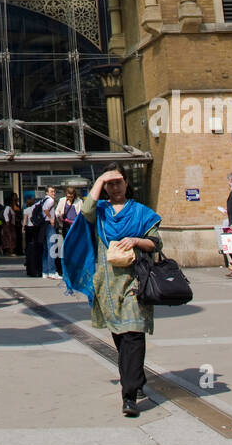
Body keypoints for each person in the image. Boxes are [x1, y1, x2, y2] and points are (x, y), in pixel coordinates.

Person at [62, 164, 162, 417]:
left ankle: (129, 396)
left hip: (135, 282)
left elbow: (155, 242)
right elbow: (85, 210)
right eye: (110, 183)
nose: (115, 187)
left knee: (133, 335)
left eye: (119, 181)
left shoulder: (141, 213)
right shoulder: (102, 212)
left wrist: (137, 240)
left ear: (127, 184)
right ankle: (135, 380)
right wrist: (101, 179)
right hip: (107, 284)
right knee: (121, 337)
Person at [55, 186, 83, 291]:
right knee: (67, 246)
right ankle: (68, 268)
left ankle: (76, 268)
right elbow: (57, 211)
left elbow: (82, 213)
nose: (69, 197)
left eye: (71, 195)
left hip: (75, 226)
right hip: (66, 225)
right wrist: (60, 216)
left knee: (75, 247)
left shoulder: (79, 201)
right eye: (68, 195)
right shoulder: (62, 201)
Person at [41, 185, 59, 279]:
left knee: (46, 249)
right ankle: (52, 271)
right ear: (47, 192)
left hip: (44, 225)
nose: (54, 193)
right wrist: (51, 218)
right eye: (52, 191)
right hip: (49, 224)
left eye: (54, 191)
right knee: (52, 248)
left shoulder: (44, 200)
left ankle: (45, 271)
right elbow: (45, 209)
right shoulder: (50, 200)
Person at [23, 196, 42, 278]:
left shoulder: (26, 210)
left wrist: (23, 227)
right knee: (36, 244)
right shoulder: (35, 209)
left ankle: (28, 258)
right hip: (36, 228)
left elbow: (25, 220)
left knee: (29, 245)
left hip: (29, 228)